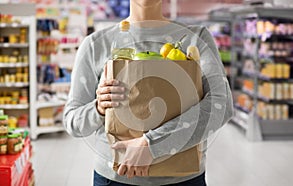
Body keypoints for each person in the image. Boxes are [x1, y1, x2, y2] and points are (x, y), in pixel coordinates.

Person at [63, 0, 234, 185]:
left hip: (184, 178)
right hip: (116, 179)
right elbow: (72, 121)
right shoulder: (96, 44)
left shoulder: (195, 39)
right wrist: (99, 107)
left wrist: (151, 146)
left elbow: (222, 104)